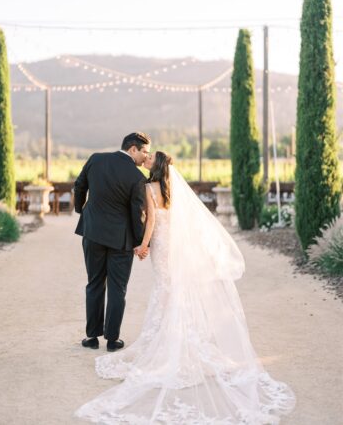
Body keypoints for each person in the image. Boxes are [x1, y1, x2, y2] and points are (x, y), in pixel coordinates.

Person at [75, 151, 296, 424]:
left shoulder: (148, 187)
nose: (145, 160)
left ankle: (162, 338)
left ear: (154, 167)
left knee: (162, 289)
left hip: (158, 245)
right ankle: (176, 334)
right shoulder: (173, 189)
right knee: (171, 288)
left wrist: (143, 245)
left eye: (148, 159)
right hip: (173, 246)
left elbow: (151, 220)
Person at [73, 132, 151, 352]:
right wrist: (140, 242)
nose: (146, 157)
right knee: (118, 289)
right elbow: (138, 213)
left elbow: (79, 186)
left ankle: (92, 337)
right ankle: (112, 340)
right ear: (132, 149)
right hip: (121, 240)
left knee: (94, 283)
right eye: (144, 152)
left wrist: (83, 211)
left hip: (92, 233)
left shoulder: (96, 159)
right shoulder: (137, 177)